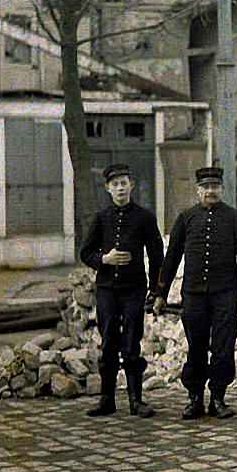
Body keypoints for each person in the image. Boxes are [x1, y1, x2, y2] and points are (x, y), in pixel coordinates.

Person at [153, 167, 237, 419]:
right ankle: (195, 399)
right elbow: (172, 257)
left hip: (226, 295)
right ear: (198, 190)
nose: (210, 191)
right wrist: (160, 293)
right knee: (196, 347)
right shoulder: (186, 218)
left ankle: (218, 399)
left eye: (215, 187)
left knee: (223, 348)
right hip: (194, 295)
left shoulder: (235, 218)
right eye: (205, 187)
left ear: (222, 189)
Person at [80, 163, 164, 418]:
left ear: (131, 186)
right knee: (108, 342)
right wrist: (104, 259)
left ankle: (136, 400)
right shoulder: (101, 218)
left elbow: (156, 256)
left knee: (130, 343)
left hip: (134, 290)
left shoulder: (145, 217)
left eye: (124, 183)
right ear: (108, 188)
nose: (120, 188)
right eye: (115, 184)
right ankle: (107, 400)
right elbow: (85, 253)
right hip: (107, 290)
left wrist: (155, 290)